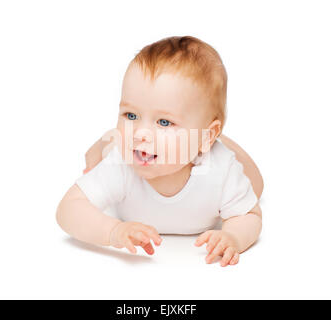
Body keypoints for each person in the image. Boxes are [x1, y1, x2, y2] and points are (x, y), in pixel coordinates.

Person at [56, 36, 264, 267]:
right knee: (107, 149)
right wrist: (113, 230)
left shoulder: (221, 169)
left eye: (164, 122)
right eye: (131, 115)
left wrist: (233, 236)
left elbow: (248, 215)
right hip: (133, 147)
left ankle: (217, 139)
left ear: (207, 135)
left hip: (208, 146)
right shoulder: (121, 163)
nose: (140, 133)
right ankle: (103, 144)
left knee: (255, 184)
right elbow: (68, 209)